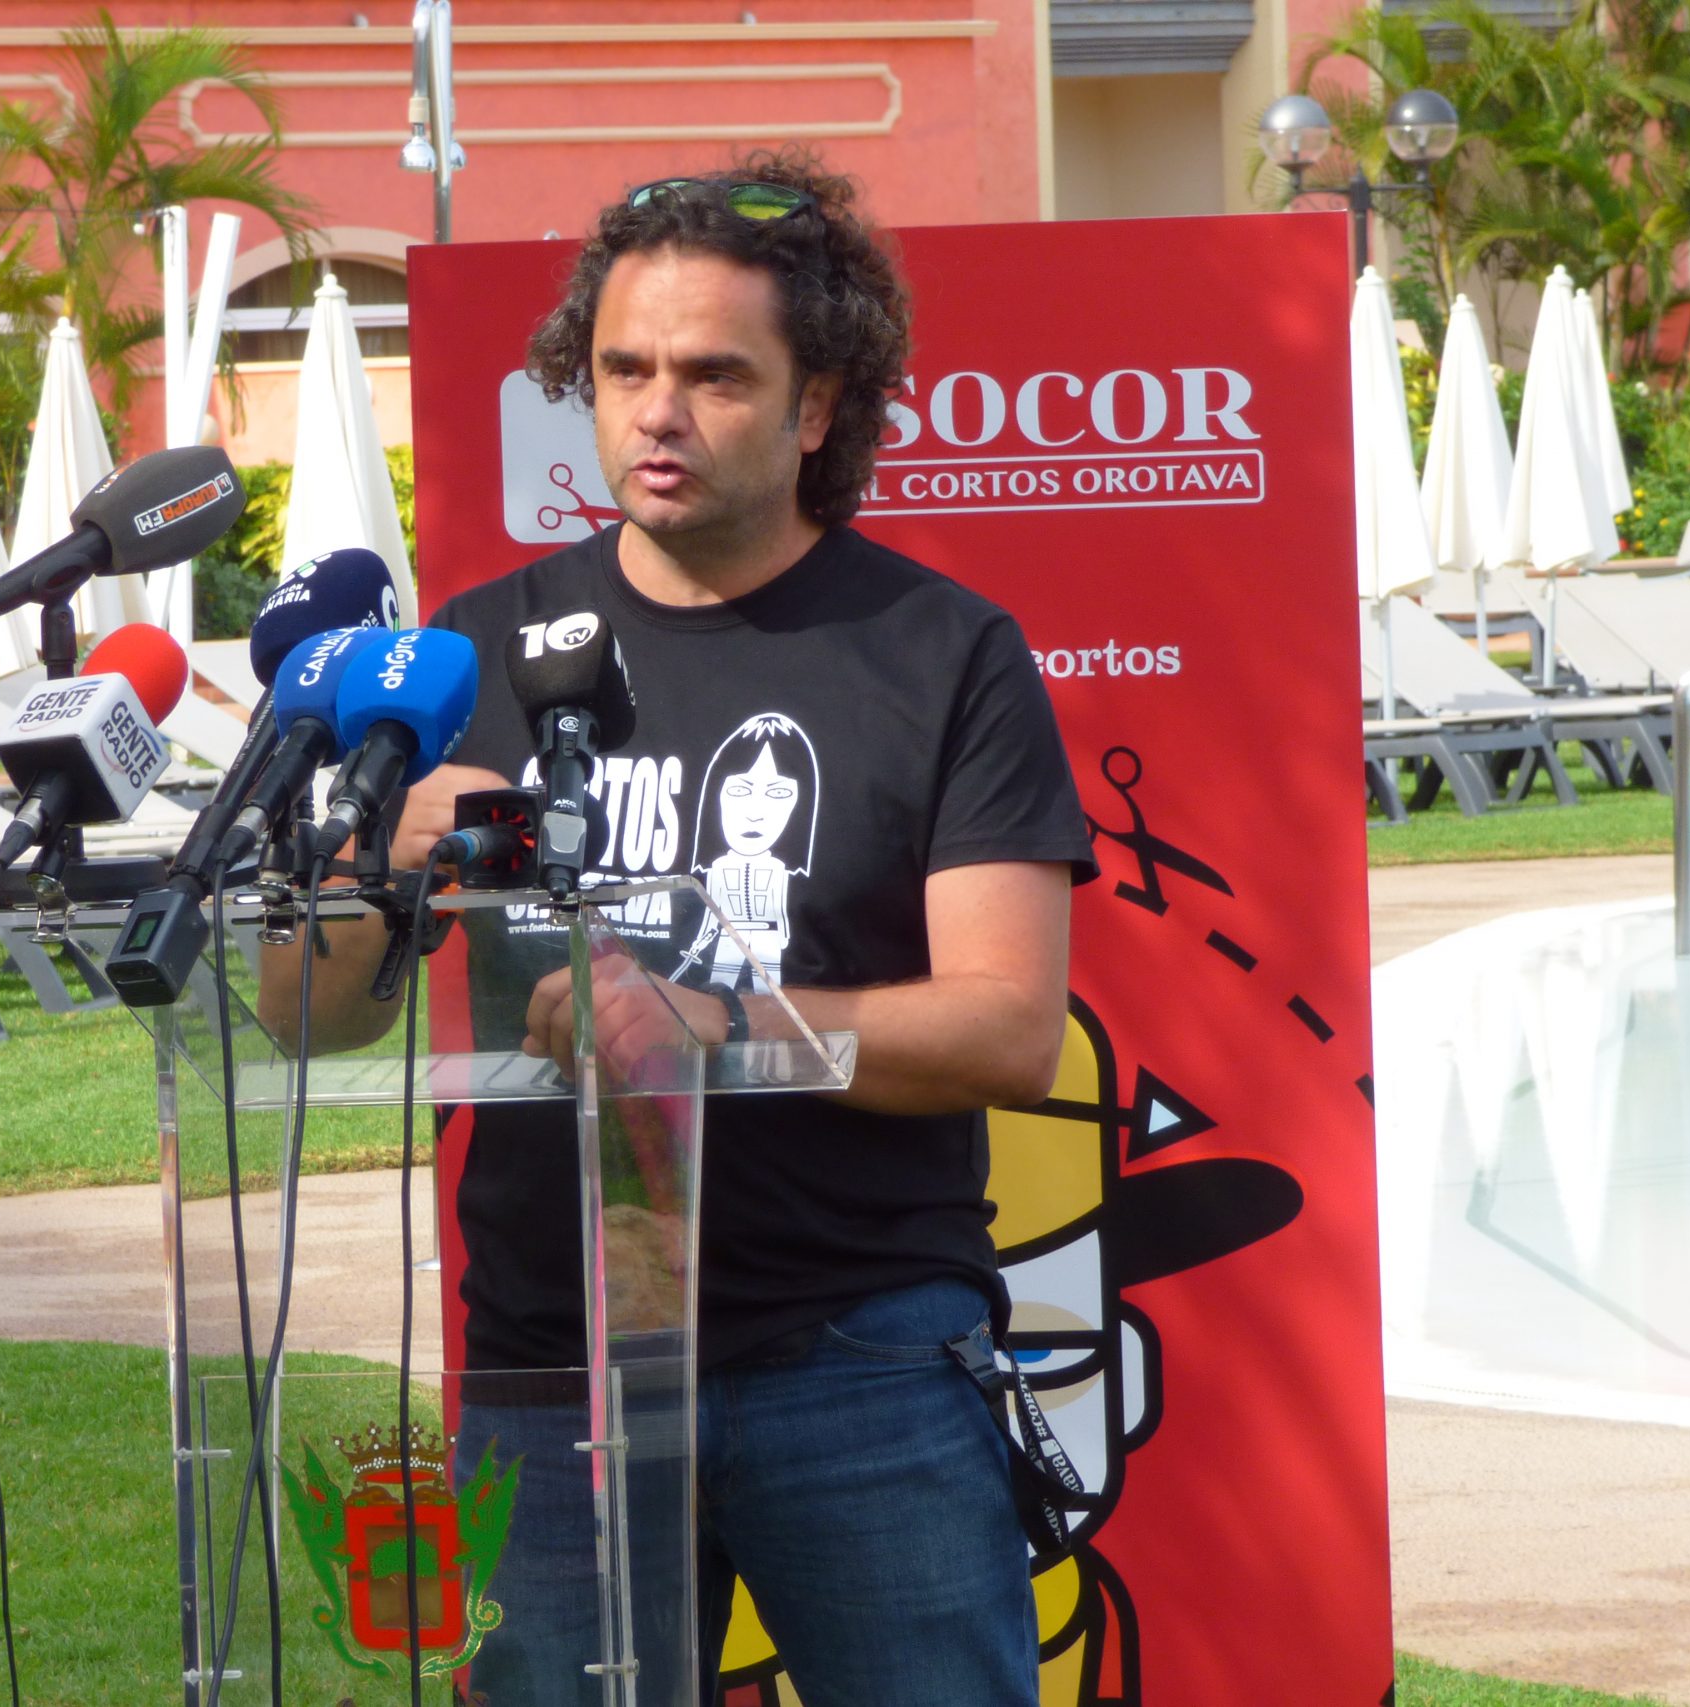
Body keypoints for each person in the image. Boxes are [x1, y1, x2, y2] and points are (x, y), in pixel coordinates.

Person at [280, 150, 1094, 1706]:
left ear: (816, 407)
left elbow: (1008, 1027)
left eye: (716, 376)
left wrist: (719, 1026)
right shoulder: (473, 650)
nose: (658, 412)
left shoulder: (941, 653)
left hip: (856, 1353)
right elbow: (298, 1017)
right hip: (550, 1364)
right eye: (625, 370)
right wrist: (368, 868)